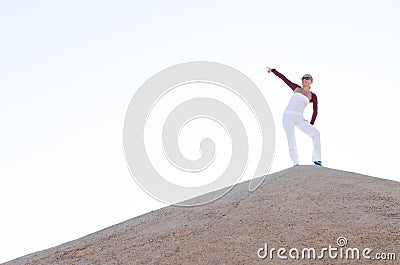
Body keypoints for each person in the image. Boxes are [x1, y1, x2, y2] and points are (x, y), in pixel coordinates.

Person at [266, 67, 322, 166]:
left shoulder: (313, 96)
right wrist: (273, 71)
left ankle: (317, 159)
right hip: (288, 115)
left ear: (311, 81)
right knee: (291, 139)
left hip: (300, 118)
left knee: (316, 134)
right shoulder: (296, 88)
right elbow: (284, 79)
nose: (304, 79)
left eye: (307, 78)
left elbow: (315, 110)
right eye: (303, 78)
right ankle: (296, 162)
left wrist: (311, 123)